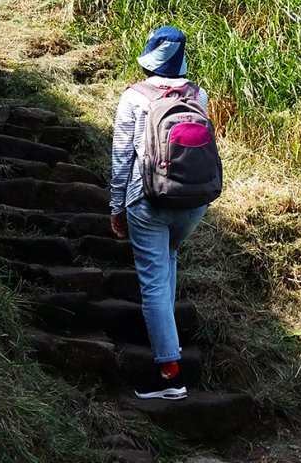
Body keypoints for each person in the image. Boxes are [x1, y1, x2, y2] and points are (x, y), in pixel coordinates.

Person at [109, 25, 210, 400]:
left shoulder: (134, 97)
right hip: (193, 201)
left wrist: (116, 205)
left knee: (152, 282)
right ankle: (168, 347)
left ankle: (169, 373)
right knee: (168, 257)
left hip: (148, 199)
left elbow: (122, 158)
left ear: (149, 56)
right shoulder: (198, 94)